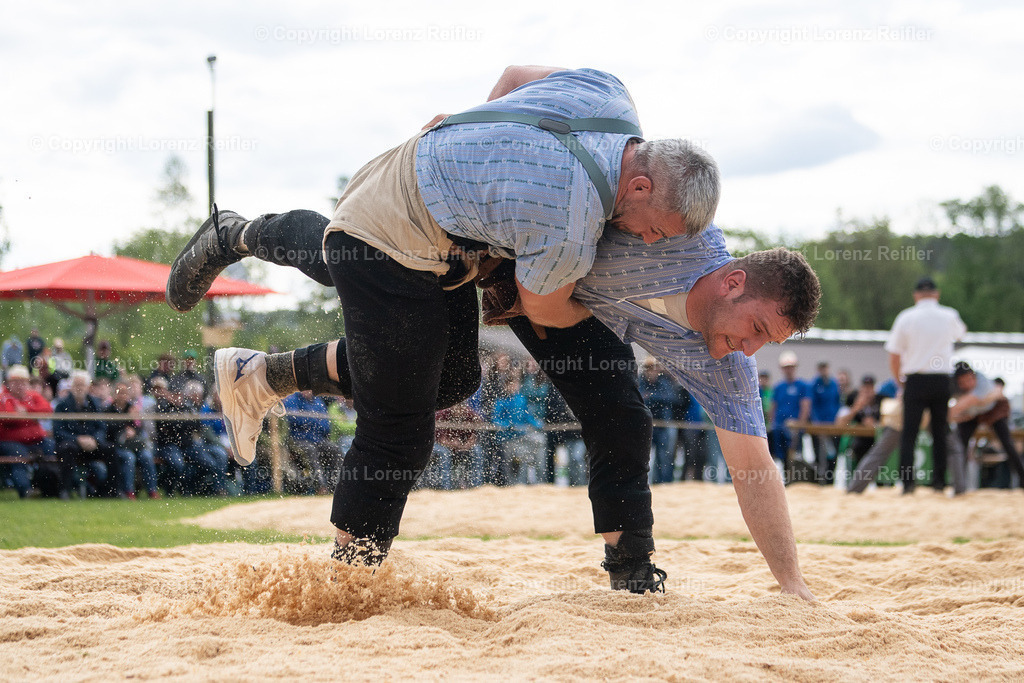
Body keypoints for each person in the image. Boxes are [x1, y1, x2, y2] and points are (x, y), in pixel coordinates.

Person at [166, 66, 819, 600]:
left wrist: (790, 583)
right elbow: (542, 297)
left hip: (501, 261)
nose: (647, 237)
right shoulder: (596, 199)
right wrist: (475, 152)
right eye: (756, 329)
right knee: (383, 348)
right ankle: (347, 573)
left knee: (475, 384)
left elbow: (754, 466)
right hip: (479, 248)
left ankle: (632, 569)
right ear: (732, 279)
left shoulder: (696, 293)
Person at [885, 277, 966, 493]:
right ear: (936, 294)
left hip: (915, 379)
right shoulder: (949, 315)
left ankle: (908, 484)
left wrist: (899, 380)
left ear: (916, 295)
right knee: (940, 433)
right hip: (941, 380)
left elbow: (894, 355)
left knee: (909, 433)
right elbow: (961, 334)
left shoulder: (906, 317)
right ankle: (939, 482)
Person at [950, 362, 1024, 488]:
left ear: (974, 376)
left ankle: (1022, 479)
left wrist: (946, 416)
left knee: (1007, 443)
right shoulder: (953, 386)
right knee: (961, 445)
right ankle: (959, 484)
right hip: (972, 413)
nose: (967, 384)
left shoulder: (982, 382)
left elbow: (965, 403)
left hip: (993, 409)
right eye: (962, 382)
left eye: (969, 380)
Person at [53, 370, 116, 499]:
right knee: (67, 449)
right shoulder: (61, 406)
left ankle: (111, 491)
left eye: (82, 385)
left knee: (111, 449)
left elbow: (102, 427)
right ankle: (65, 490)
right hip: (71, 444)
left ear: (88, 387)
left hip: (92, 445)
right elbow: (58, 432)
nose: (79, 388)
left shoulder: (96, 404)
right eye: (76, 384)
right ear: (71, 386)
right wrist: (78, 439)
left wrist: (95, 439)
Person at [0, 365, 55, 498]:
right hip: (11, 441)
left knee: (52, 451)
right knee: (19, 457)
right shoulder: (3, 397)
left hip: (37, 440)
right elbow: (9, 418)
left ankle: (52, 488)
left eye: (23, 382)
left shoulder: (33, 395)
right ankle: (25, 490)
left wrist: (27, 412)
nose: (20, 385)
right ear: (9, 383)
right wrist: (33, 418)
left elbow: (47, 410)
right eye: (16, 382)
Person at [105, 378, 160, 499]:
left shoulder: (132, 408)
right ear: (114, 393)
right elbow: (109, 430)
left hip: (134, 444)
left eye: (125, 392)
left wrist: (134, 430)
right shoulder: (108, 410)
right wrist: (125, 427)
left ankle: (152, 490)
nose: (123, 395)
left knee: (146, 456)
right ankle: (129, 491)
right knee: (129, 458)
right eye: (120, 392)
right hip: (117, 445)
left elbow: (140, 428)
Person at [767, 352, 810, 466]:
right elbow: (773, 406)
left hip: (794, 428)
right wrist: (773, 423)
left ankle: (794, 477)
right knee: (780, 455)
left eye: (790, 367)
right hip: (779, 426)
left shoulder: (802, 385)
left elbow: (805, 405)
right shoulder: (778, 387)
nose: (788, 370)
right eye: (786, 368)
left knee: (795, 455)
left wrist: (800, 424)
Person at [640, 358, 678, 484]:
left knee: (664, 458)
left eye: (654, 369)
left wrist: (650, 396)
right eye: (649, 369)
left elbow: (672, 398)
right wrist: (656, 398)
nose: (652, 372)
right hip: (646, 425)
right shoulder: (640, 381)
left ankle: (663, 483)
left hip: (663, 425)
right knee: (643, 458)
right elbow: (639, 399)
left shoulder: (664, 382)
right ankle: (644, 482)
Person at [810, 361, 842, 484]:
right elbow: (812, 405)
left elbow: (837, 402)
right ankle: (819, 480)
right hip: (819, 425)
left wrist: (837, 420)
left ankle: (830, 480)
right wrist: (816, 422)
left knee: (832, 455)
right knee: (819, 453)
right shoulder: (814, 384)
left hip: (833, 425)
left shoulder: (834, 384)